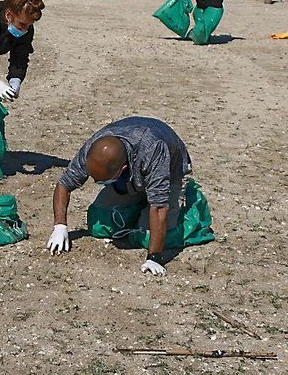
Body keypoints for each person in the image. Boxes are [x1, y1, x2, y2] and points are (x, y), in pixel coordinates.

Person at [46, 117, 192, 277]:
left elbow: (158, 207)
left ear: (122, 168)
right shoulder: (95, 148)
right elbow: (64, 185)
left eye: (102, 180)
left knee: (149, 236)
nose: (95, 182)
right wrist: (60, 226)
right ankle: (141, 201)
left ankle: (189, 203)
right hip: (131, 176)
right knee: (100, 223)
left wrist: (154, 257)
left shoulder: (153, 149)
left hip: (171, 172)